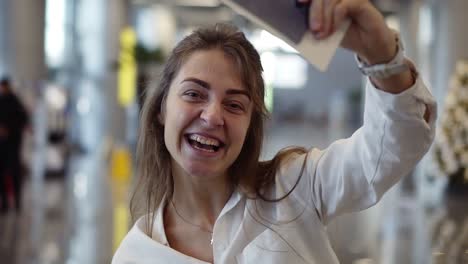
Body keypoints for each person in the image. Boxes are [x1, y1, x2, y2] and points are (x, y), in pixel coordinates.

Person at [112, 0, 437, 263]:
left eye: (235, 104)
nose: (212, 116)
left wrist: (381, 55)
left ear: (250, 124)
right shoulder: (136, 254)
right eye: (194, 94)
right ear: (160, 110)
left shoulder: (295, 186)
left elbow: (391, 148)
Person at [0, 77, 29, 213]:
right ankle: (5, 202)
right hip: (3, 145)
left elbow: (23, 119)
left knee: (14, 172)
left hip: (13, 143)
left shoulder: (15, 101)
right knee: (3, 173)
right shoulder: (2, 101)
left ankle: (17, 202)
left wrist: (9, 129)